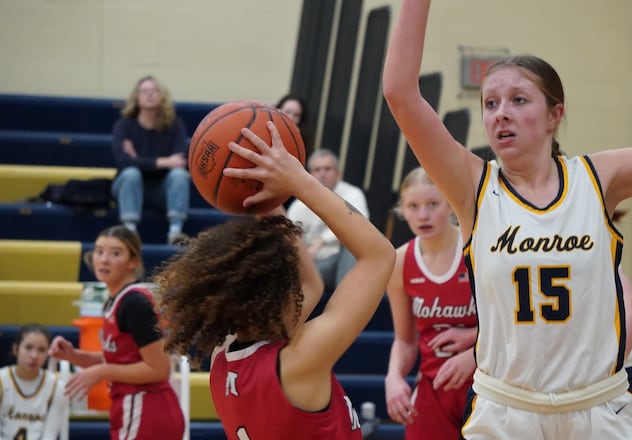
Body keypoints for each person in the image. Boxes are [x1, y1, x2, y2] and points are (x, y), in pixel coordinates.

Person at [382, 0, 632, 438]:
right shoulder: (472, 187)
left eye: (519, 100)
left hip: (599, 408)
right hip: (507, 411)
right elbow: (401, 93)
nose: (500, 112)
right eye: (490, 102)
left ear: (554, 116)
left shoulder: (599, 178)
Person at [153, 122, 396, 439]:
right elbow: (380, 256)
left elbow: (312, 286)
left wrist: (264, 197)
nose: (298, 288)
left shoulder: (222, 357)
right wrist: (301, 183)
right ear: (276, 298)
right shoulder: (298, 362)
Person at [48, 225, 185, 440]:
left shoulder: (133, 303)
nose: (103, 259)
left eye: (115, 253)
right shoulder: (117, 300)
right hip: (139, 408)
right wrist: (73, 356)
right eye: (99, 251)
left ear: (133, 262)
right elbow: (121, 360)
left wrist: (102, 372)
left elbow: (159, 369)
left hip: (146, 407)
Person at [385, 167, 477, 439]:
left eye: (432, 204)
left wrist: (473, 344)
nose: (422, 215)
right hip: (434, 388)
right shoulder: (400, 261)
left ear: (449, 203)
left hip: (486, 383)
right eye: (413, 206)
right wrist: (393, 377)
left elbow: (513, 324)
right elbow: (405, 341)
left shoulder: (477, 245)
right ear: (402, 209)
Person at [111, 75, 191, 246]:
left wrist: (138, 159)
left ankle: (175, 232)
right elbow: (123, 162)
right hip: (129, 189)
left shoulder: (174, 126)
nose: (149, 94)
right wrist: (163, 162)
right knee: (131, 174)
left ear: (162, 97)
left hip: (161, 191)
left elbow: (179, 162)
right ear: (137, 97)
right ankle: (130, 232)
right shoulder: (124, 126)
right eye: (144, 91)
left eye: (155, 91)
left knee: (179, 175)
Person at [286, 148, 370, 292]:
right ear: (310, 174)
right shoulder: (298, 206)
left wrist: (322, 241)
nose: (322, 174)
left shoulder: (352, 194)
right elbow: (288, 238)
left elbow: (360, 225)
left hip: (341, 260)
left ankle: (347, 305)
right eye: (317, 169)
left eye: (327, 169)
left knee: (353, 246)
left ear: (338, 174)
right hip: (312, 264)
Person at [0, 324, 67, 440]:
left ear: (48, 353)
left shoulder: (57, 387)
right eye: (28, 348)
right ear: (15, 349)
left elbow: (50, 436)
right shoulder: (2, 380)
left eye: (41, 350)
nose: (34, 355)